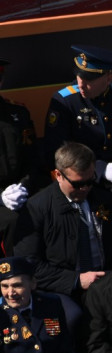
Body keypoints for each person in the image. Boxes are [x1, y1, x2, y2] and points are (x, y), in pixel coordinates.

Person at [13, 142, 112, 306]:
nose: (85, 188)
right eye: (78, 184)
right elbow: (28, 263)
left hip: (107, 281)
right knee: (71, 319)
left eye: (90, 181)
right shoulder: (37, 208)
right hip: (61, 289)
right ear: (58, 175)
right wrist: (76, 280)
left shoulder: (104, 199)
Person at [43, 45, 112, 192]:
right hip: (87, 184)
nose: (81, 83)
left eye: (89, 79)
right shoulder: (65, 101)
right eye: (79, 75)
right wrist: (99, 168)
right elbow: (56, 151)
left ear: (108, 78)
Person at [0, 58, 43, 256]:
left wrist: (23, 187)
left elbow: (33, 159)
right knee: (12, 221)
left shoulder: (18, 113)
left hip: (21, 190)